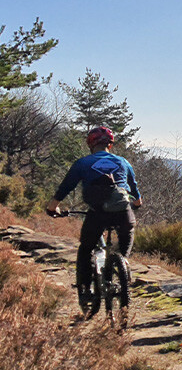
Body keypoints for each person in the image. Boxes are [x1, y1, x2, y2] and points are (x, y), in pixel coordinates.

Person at [46, 126, 142, 293]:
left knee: (86, 248)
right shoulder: (123, 162)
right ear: (110, 145)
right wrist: (136, 204)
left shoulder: (83, 163)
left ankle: (85, 289)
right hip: (122, 209)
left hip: (97, 213)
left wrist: (53, 206)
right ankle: (124, 260)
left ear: (90, 145)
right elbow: (134, 190)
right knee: (127, 232)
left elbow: (66, 187)